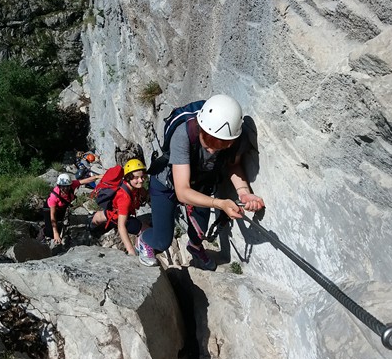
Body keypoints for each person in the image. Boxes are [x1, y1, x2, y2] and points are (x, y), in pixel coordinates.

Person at [134, 94, 266, 268]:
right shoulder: (184, 134)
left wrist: (244, 193)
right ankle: (144, 238)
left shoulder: (235, 140)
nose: (212, 151)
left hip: (200, 182)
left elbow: (233, 165)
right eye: (208, 144)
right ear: (201, 128)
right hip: (166, 183)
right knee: (162, 241)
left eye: (221, 146)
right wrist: (219, 204)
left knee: (200, 231)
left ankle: (194, 247)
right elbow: (182, 192)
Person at [91, 158, 151, 257]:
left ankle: (92, 226)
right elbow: (121, 226)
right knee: (146, 230)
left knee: (101, 216)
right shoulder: (124, 198)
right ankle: (139, 247)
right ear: (128, 177)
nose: (141, 180)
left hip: (111, 213)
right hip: (118, 217)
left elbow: (145, 193)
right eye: (136, 178)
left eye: (142, 177)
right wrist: (131, 250)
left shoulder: (135, 186)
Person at [46, 173, 81, 247]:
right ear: (59, 186)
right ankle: (44, 235)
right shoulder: (54, 197)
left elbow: (84, 181)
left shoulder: (72, 185)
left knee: (60, 224)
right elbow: (53, 216)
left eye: (67, 187)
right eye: (63, 187)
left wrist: (97, 176)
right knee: (50, 233)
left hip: (61, 208)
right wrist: (55, 233)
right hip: (49, 209)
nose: (65, 189)